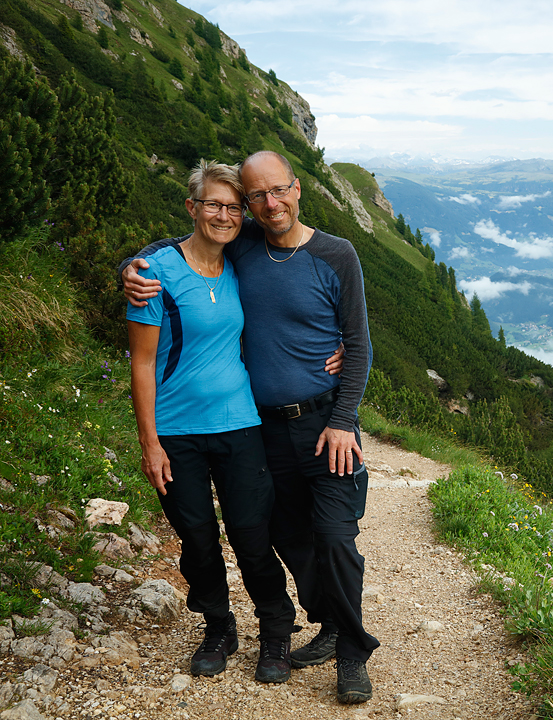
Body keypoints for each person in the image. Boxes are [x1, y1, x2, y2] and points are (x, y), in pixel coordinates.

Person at [122, 151, 379, 704]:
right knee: (283, 533)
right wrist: (132, 264)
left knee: (331, 536)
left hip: (322, 426)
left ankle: (348, 651)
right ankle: (324, 624)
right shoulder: (244, 247)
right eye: (254, 197)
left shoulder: (337, 255)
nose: (266, 205)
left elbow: (358, 344)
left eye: (276, 192)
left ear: (298, 188)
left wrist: (342, 420)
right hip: (263, 427)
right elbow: (185, 246)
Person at [128, 159, 296, 684]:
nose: (224, 215)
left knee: (251, 535)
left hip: (241, 426)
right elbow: (142, 362)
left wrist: (335, 343)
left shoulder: (243, 260)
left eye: (232, 206)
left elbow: (292, 294)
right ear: (192, 208)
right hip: (177, 432)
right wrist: (150, 442)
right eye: (213, 205)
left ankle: (275, 631)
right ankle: (219, 627)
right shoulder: (156, 273)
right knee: (197, 538)